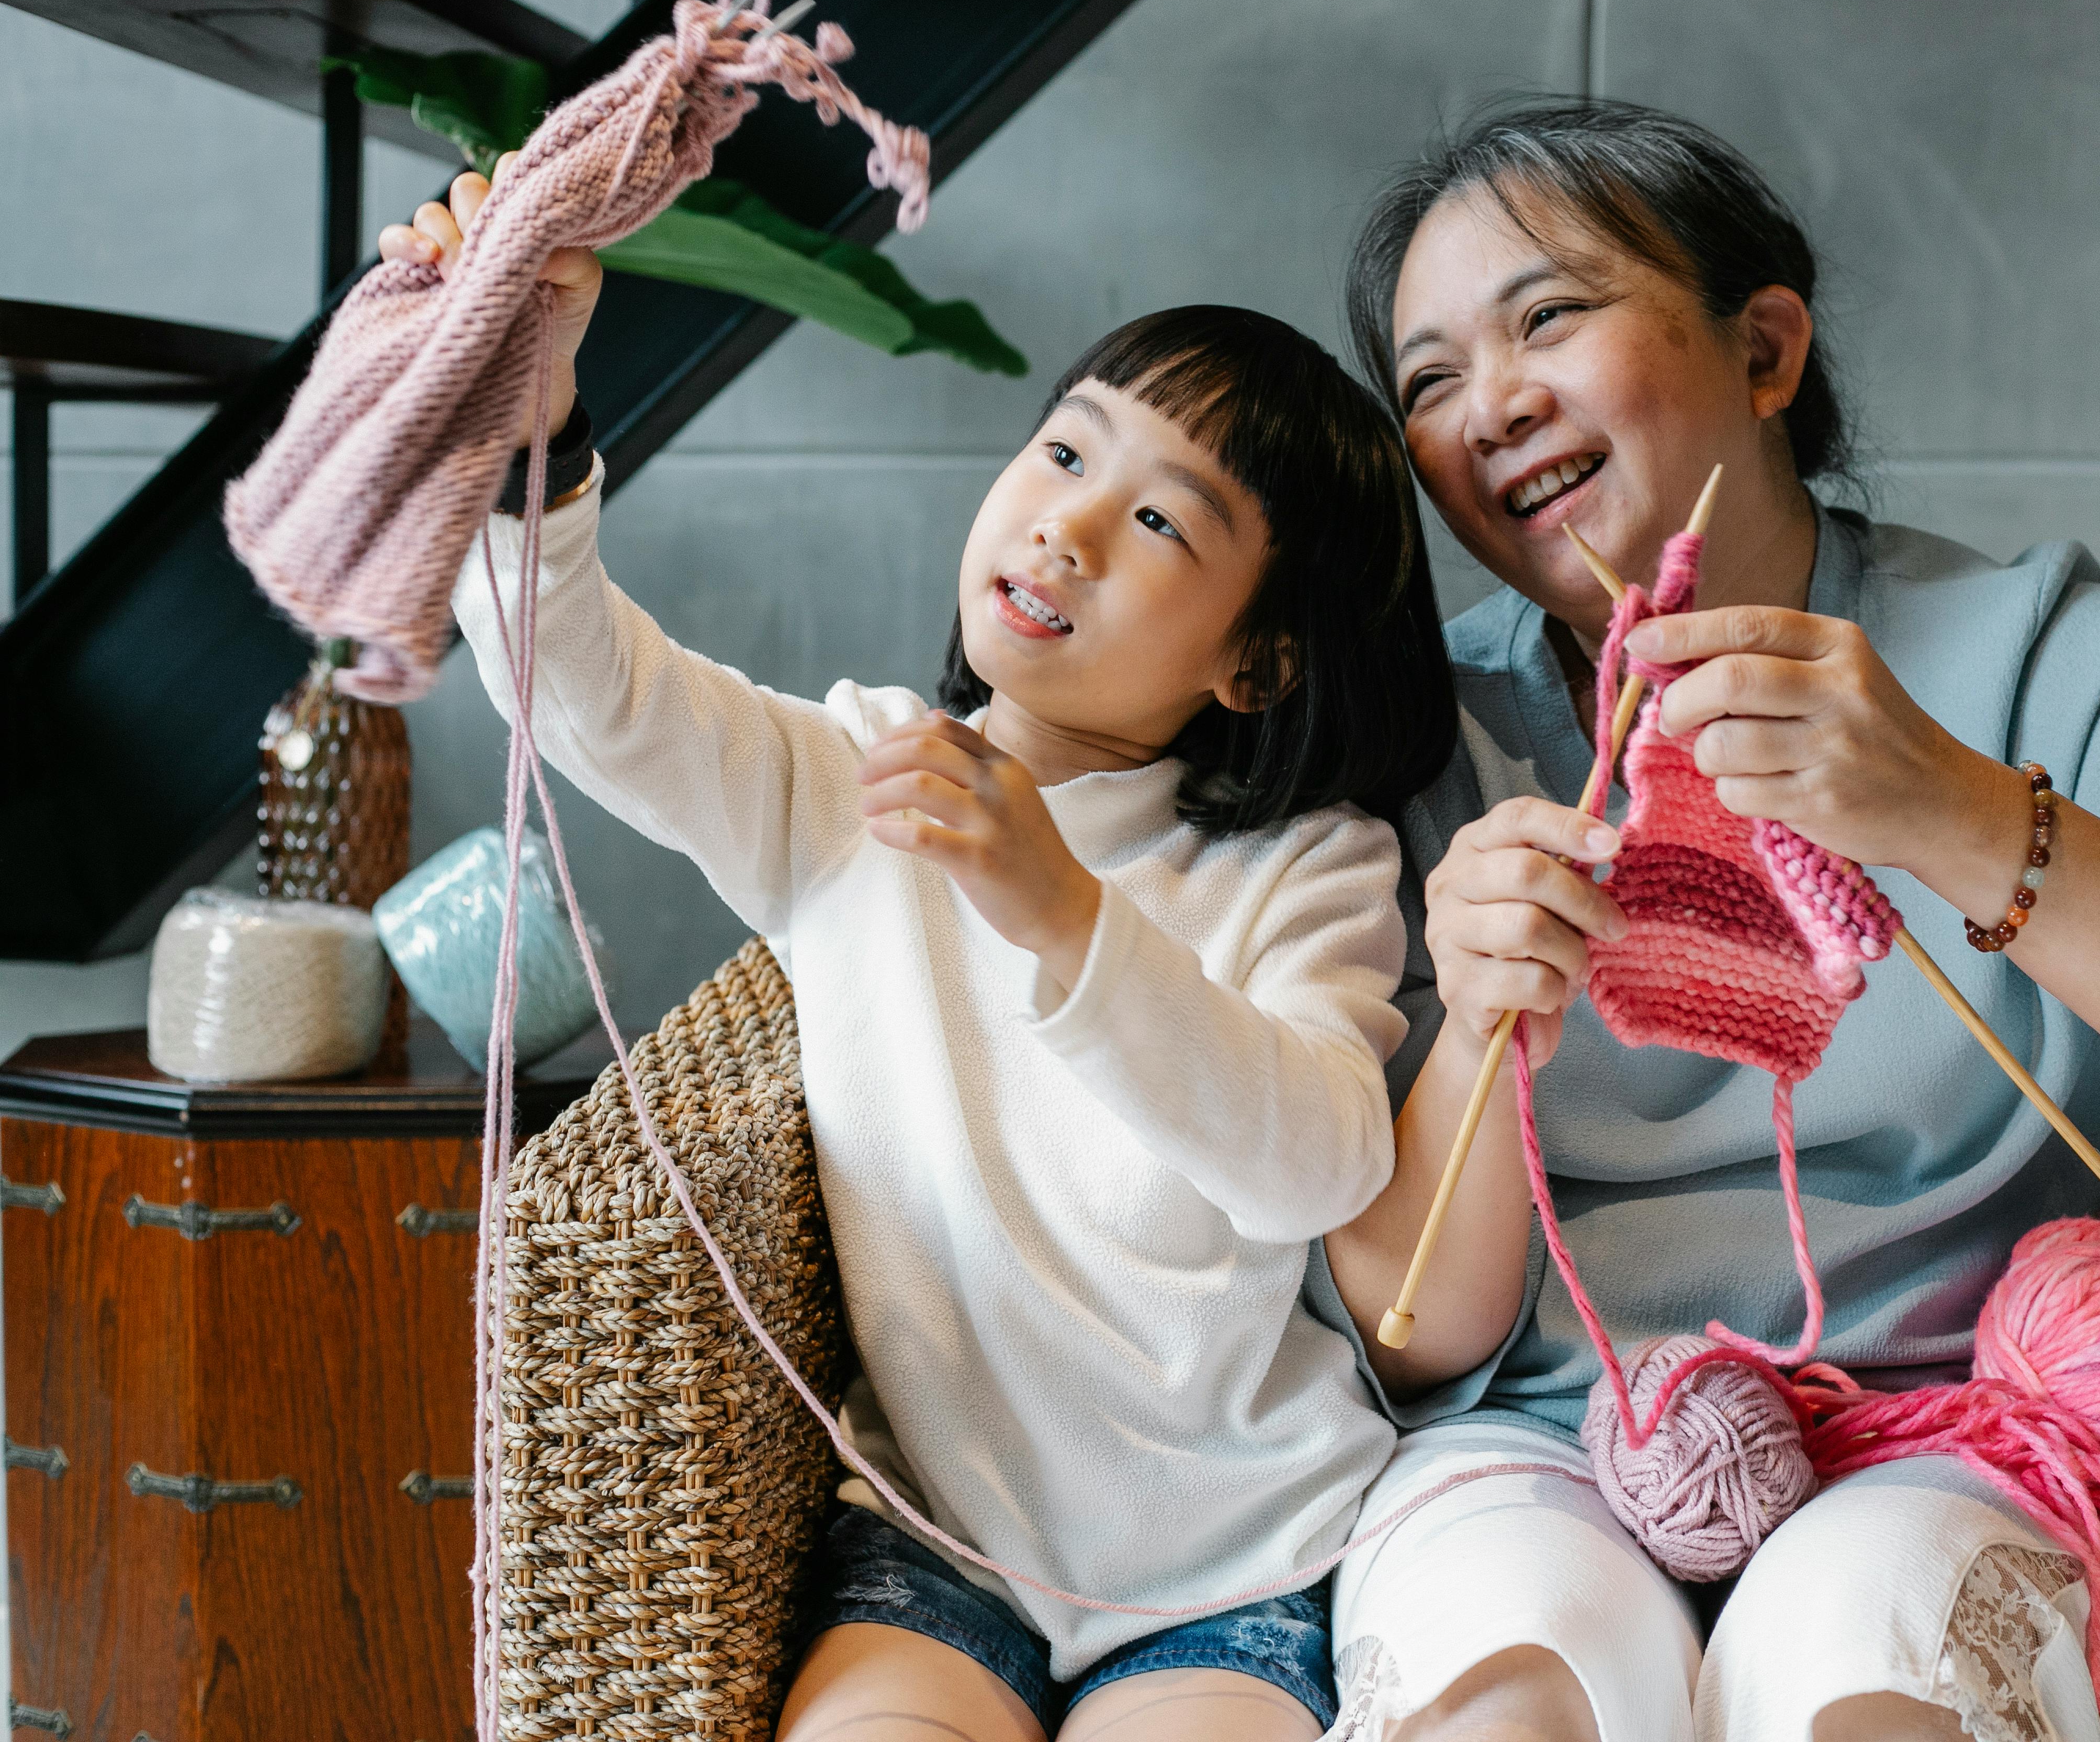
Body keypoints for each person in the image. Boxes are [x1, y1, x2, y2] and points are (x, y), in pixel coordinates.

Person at [1312, 100, 2100, 1742]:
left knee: (1869, 1669)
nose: (1490, 405)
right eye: (1428, 380)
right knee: (1508, 1699)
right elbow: (1406, 1342)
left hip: (1974, 1441)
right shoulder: (1412, 740)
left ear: (1768, 350)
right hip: (1550, 1447)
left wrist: (1958, 813)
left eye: (1549, 318)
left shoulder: (2031, 655)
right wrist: (1482, 1027)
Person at [382, 174, 1456, 1742]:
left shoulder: (1304, 866)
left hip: (1238, 1568)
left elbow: (1316, 1162)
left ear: (1260, 660)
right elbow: (591, 698)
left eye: (1160, 521)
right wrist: (530, 413)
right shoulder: (856, 780)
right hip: (938, 1557)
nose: (1068, 524)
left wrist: (1062, 914)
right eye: (1067, 451)